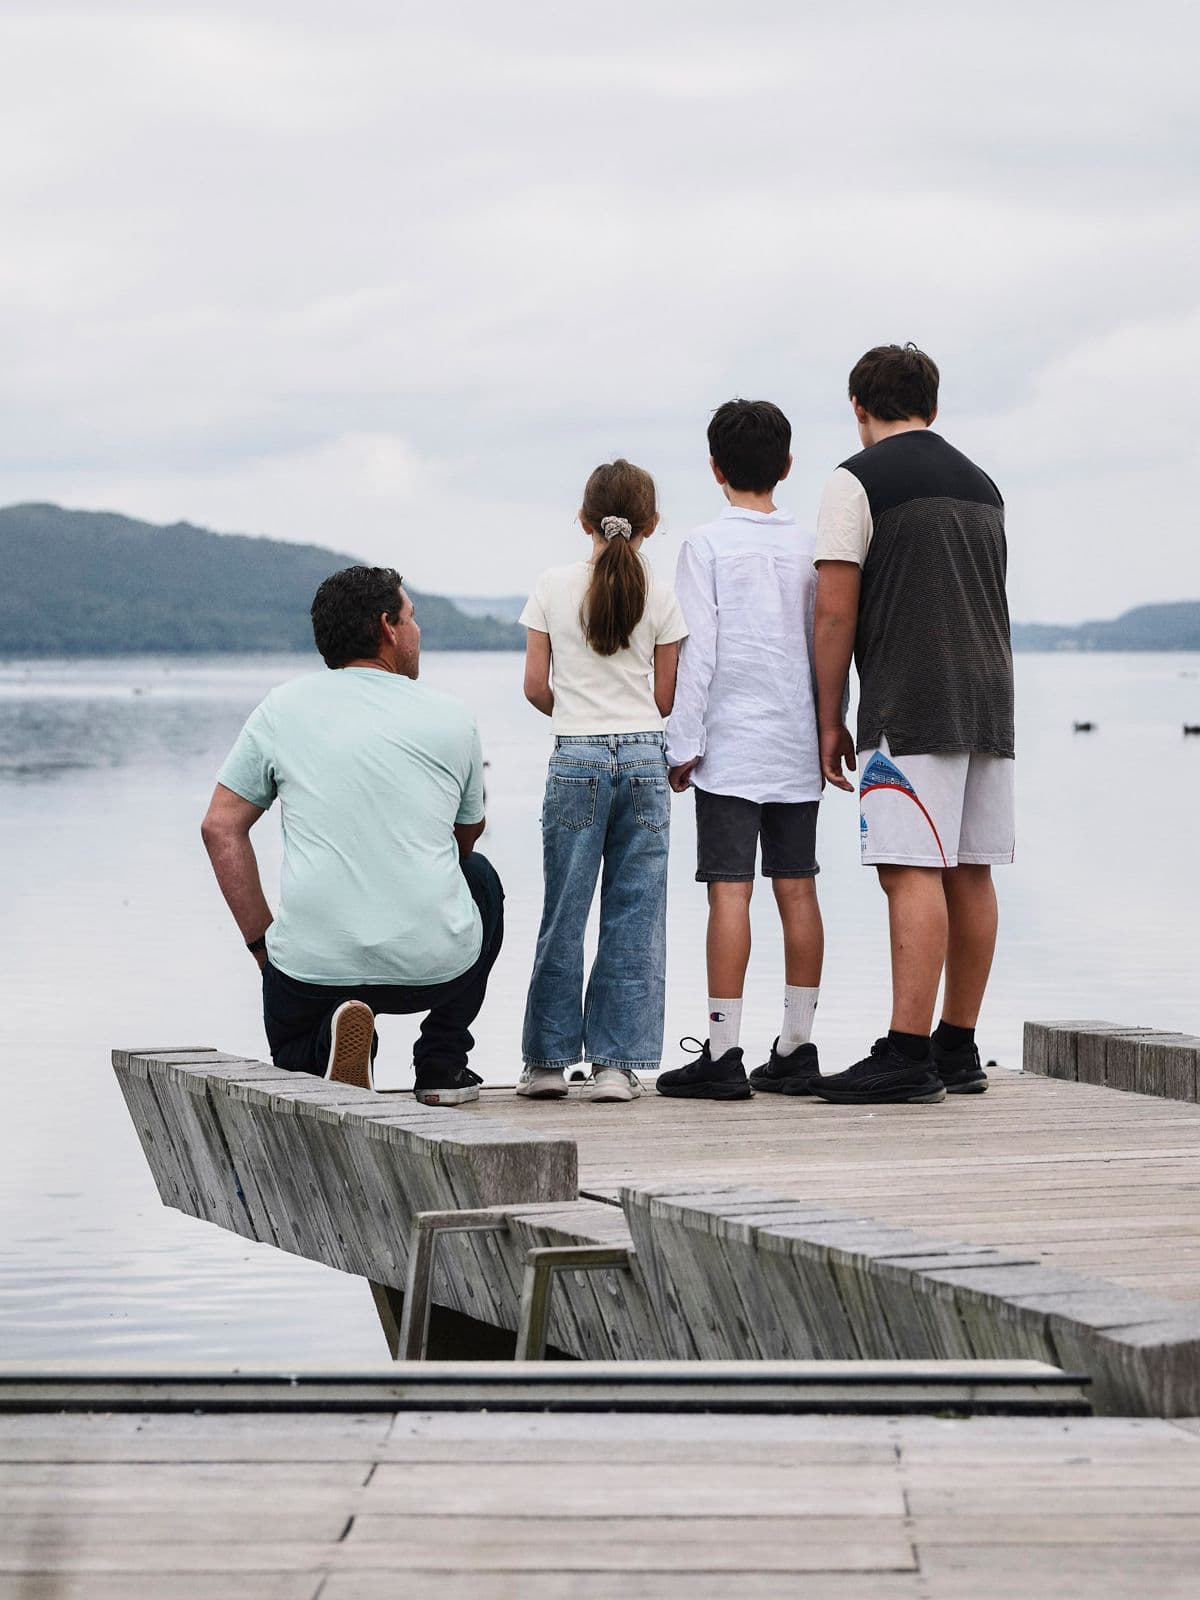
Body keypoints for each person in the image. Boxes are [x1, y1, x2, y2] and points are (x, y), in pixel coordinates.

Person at [200, 565, 502, 1106]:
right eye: (412, 617)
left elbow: (221, 828)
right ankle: (442, 1064)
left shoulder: (280, 709)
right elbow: (467, 836)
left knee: (295, 1057)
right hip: (431, 970)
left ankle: (328, 1042)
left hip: (313, 966)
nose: (417, 630)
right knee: (481, 879)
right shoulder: (452, 716)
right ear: (387, 627)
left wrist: (264, 950)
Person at [812, 343, 1014, 1105]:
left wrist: (830, 716)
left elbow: (834, 610)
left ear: (859, 408)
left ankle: (906, 1051)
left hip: (909, 696)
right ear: (933, 404)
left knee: (910, 868)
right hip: (991, 696)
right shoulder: (983, 484)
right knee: (971, 867)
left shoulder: (854, 480)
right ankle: (956, 1047)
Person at [656, 399, 824, 1101]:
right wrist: (830, 728)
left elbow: (698, 654)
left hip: (730, 744)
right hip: (796, 741)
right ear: (787, 466)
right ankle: (797, 1044)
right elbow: (828, 643)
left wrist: (681, 744)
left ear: (715, 469)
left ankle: (723, 1053)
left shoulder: (706, 544)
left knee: (730, 892)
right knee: (799, 887)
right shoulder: (812, 544)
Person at [519, 459, 688, 1103]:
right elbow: (665, 697)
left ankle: (546, 1065)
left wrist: (575, 718)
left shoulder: (551, 585)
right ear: (651, 525)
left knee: (564, 910)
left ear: (583, 520)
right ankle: (616, 1067)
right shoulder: (663, 594)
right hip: (645, 758)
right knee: (635, 912)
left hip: (575, 758)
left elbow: (537, 687)